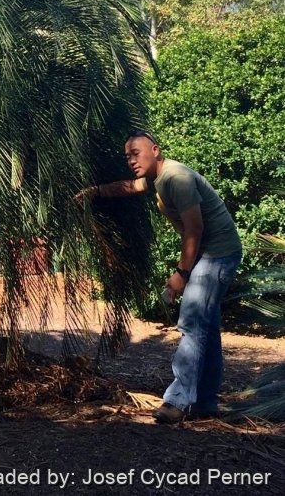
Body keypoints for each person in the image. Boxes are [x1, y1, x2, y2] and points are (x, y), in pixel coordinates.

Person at [77, 130, 243, 424]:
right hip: (211, 254)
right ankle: (205, 402)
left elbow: (195, 229)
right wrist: (97, 191)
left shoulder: (175, 178)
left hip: (217, 254)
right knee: (206, 327)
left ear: (155, 150)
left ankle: (177, 401)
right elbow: (130, 187)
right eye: (127, 155)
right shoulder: (158, 179)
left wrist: (181, 274)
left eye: (136, 153)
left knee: (191, 322)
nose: (131, 160)